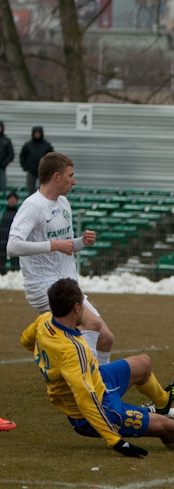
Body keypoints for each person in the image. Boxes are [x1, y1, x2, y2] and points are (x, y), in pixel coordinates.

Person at [20, 278, 174, 457]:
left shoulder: (44, 321)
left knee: (143, 363)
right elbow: (87, 399)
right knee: (168, 428)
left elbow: (26, 341)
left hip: (99, 380)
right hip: (100, 410)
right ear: (77, 307)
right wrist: (115, 441)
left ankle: (163, 402)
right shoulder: (73, 350)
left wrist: (49, 361)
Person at [7, 152, 114, 365]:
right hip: (43, 286)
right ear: (56, 177)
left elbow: (65, 246)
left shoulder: (63, 203)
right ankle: (91, 382)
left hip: (68, 284)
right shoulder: (33, 206)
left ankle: (101, 382)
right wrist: (54, 245)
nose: (74, 181)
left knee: (106, 339)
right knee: (91, 324)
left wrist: (81, 241)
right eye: (70, 176)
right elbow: (12, 246)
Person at [19, 126, 54, 195]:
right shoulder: (28, 145)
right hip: (31, 171)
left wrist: (48, 168)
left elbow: (52, 157)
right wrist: (25, 167)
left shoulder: (46, 145)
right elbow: (22, 156)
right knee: (30, 191)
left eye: (38, 133)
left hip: (43, 172)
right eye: (35, 133)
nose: (37, 135)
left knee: (44, 190)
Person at [1, 191, 21, 274]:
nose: (12, 200)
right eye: (10, 199)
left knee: (16, 260)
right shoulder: (3, 213)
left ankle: (15, 273)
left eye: (14, 199)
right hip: (3, 239)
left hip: (16, 239)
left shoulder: (20, 213)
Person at [0, 120, 14, 194]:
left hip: (2, 167)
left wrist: (4, 163)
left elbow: (10, 154)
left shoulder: (6, 140)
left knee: (2, 185)